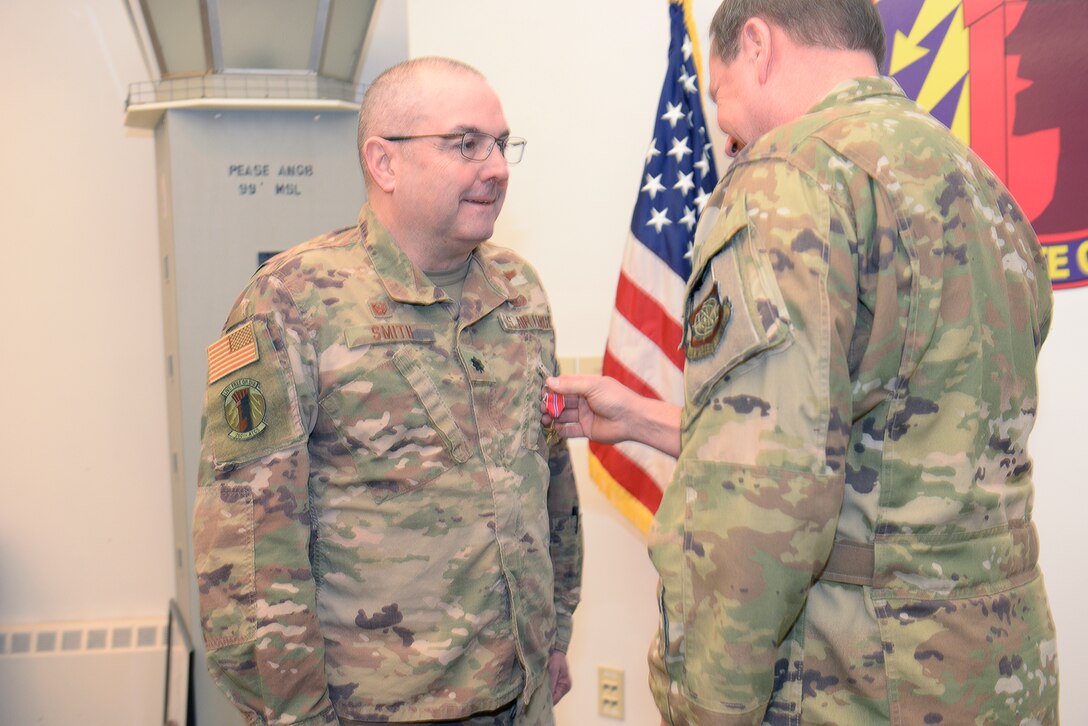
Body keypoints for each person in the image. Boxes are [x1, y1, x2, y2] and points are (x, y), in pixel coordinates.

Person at [544, 1, 1059, 723]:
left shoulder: (790, 179)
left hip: (857, 674)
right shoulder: (978, 184)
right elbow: (888, 430)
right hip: (996, 666)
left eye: (719, 93)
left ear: (756, 45)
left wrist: (705, 705)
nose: (725, 129)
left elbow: (763, 488)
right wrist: (648, 418)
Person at [193, 56, 582, 726]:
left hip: (520, 697)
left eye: (500, 143)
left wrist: (555, 633)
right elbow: (247, 547)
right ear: (385, 162)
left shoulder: (519, 292)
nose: (496, 167)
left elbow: (549, 483)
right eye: (466, 144)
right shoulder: (291, 302)